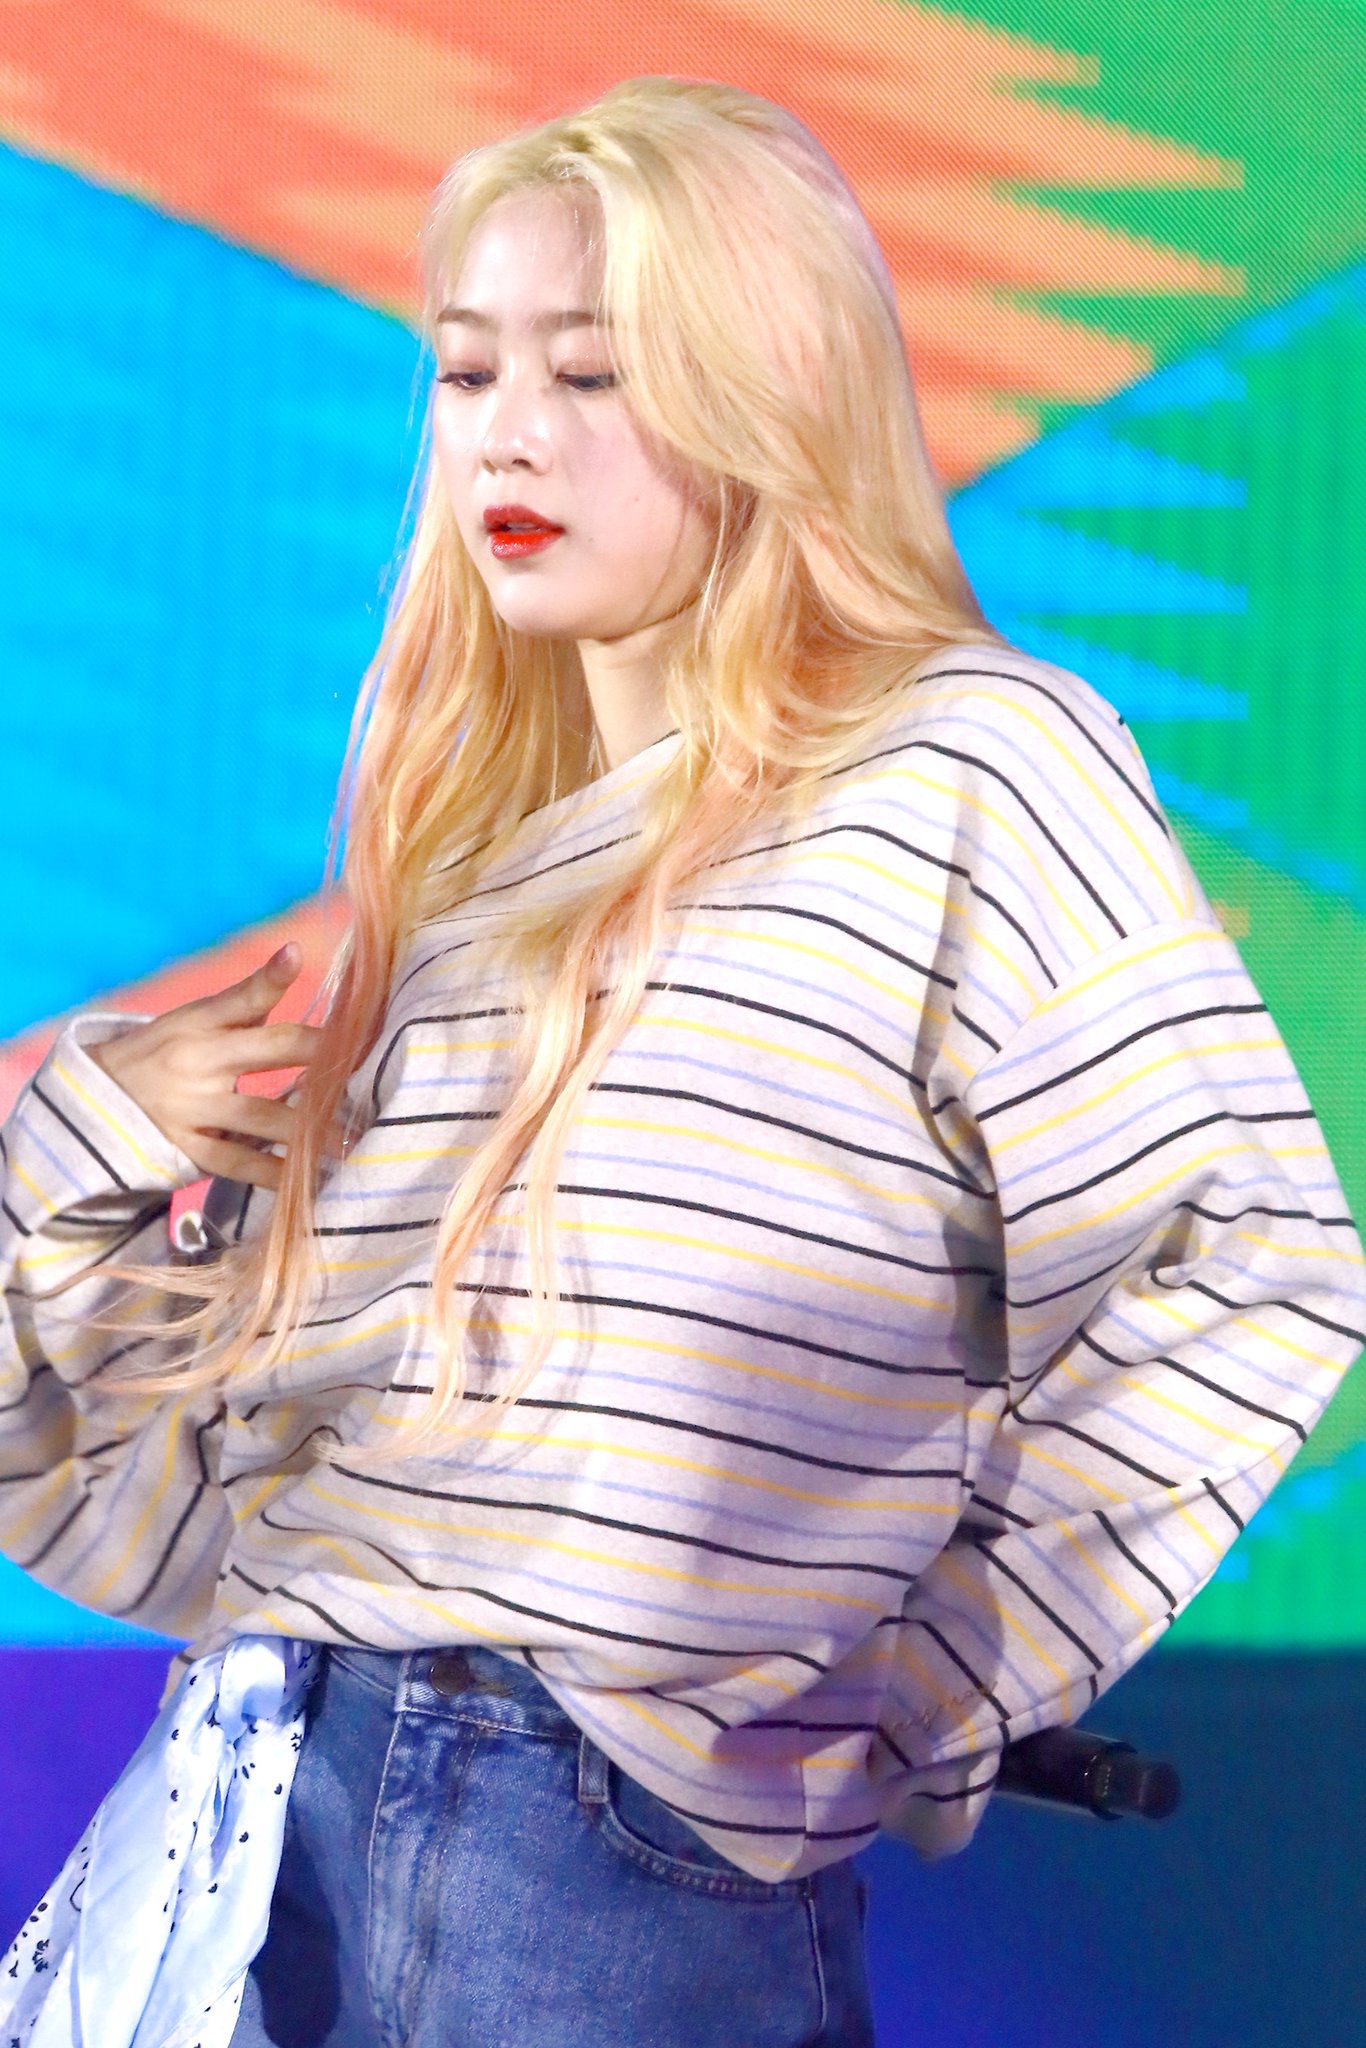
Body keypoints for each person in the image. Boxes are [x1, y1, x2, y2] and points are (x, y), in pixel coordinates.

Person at [0, 72, 1362, 2048]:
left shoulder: (971, 767)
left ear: (766, 391)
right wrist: (78, 1161)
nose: (507, 432)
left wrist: (952, 1670)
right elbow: (189, 1513)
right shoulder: (461, 896)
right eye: (466, 368)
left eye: (593, 369)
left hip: (611, 1864)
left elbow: (1247, 1251)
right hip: (259, 1809)